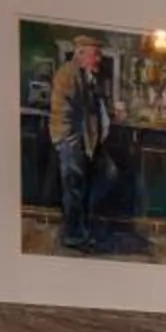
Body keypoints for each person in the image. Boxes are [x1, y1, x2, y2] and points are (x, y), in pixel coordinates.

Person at [47, 32, 116, 252]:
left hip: (88, 142)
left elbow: (94, 111)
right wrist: (69, 144)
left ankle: (82, 227)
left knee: (106, 175)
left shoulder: (88, 76)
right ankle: (74, 235)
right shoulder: (67, 74)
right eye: (96, 55)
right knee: (75, 188)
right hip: (72, 142)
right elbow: (64, 115)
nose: (99, 59)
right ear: (81, 54)